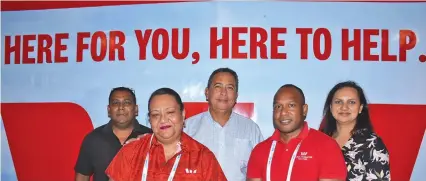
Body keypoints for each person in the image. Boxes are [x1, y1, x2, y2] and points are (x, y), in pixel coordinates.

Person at [105, 87, 227, 181]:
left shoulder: (203, 158)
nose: (163, 120)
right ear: (150, 119)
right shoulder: (131, 151)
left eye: (170, 112)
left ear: (183, 114)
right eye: (155, 115)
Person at [247, 84, 347, 181]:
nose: (283, 112)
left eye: (291, 105)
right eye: (278, 106)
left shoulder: (327, 146)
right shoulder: (260, 150)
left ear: (304, 110)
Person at [183, 67, 264, 181]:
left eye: (229, 88)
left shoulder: (251, 129)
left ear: (236, 96)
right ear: (207, 92)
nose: (223, 93)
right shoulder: (188, 128)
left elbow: (261, 169)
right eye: (218, 86)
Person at [74, 87, 153, 181]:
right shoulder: (93, 139)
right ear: (109, 110)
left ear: (135, 109)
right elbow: (82, 176)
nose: (121, 107)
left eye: (127, 102)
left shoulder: (151, 138)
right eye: (116, 103)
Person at [319, 81, 391, 181]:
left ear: (360, 108)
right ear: (331, 107)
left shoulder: (372, 144)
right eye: (338, 102)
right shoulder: (320, 139)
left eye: (351, 102)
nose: (344, 107)